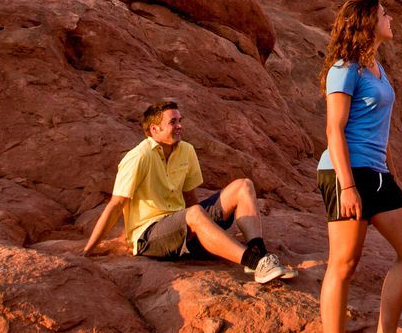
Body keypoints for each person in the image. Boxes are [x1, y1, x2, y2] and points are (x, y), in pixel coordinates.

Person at [317, 0, 402, 333]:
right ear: (367, 22)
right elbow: (334, 130)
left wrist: (387, 171)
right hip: (346, 173)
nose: (391, 18)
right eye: (384, 15)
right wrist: (347, 186)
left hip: (377, 174)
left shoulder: (377, 69)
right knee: (344, 265)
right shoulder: (343, 71)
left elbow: (378, 127)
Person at [82, 100, 296, 285]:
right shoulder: (138, 157)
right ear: (154, 130)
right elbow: (116, 205)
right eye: (172, 122)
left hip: (181, 224)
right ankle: (254, 263)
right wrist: (88, 251)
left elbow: (190, 198)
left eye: (179, 120)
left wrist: (206, 227)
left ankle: (259, 253)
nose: (179, 126)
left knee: (243, 185)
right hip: (149, 236)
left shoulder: (186, 150)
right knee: (194, 214)